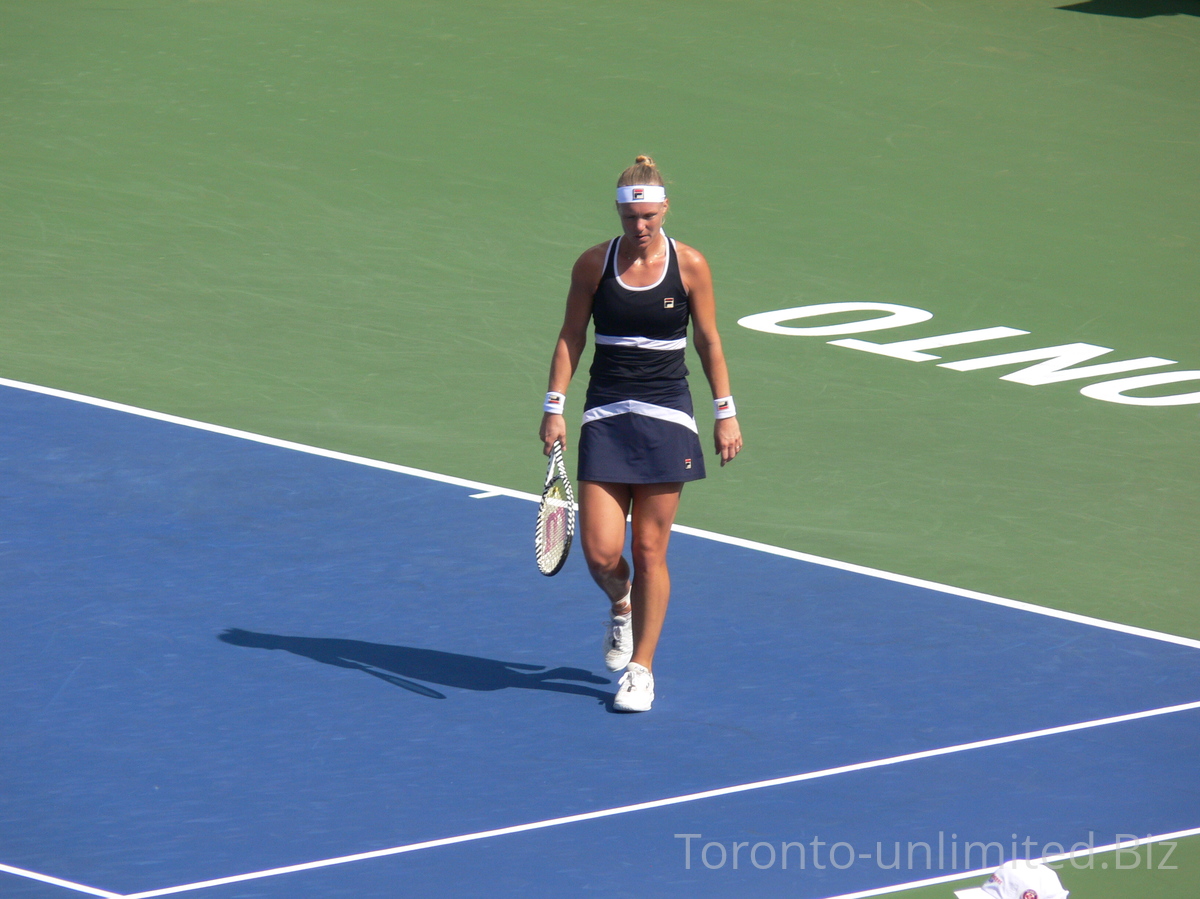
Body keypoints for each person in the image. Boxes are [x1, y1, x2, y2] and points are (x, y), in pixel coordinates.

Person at [539, 155, 742, 712]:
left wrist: (725, 412)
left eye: (650, 217)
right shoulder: (592, 265)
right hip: (605, 415)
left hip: (667, 418)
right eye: (633, 219)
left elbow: (708, 342)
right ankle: (621, 605)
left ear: (664, 210)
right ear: (620, 214)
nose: (642, 228)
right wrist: (553, 406)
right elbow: (571, 336)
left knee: (650, 549)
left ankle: (642, 669)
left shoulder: (691, 266)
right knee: (603, 557)